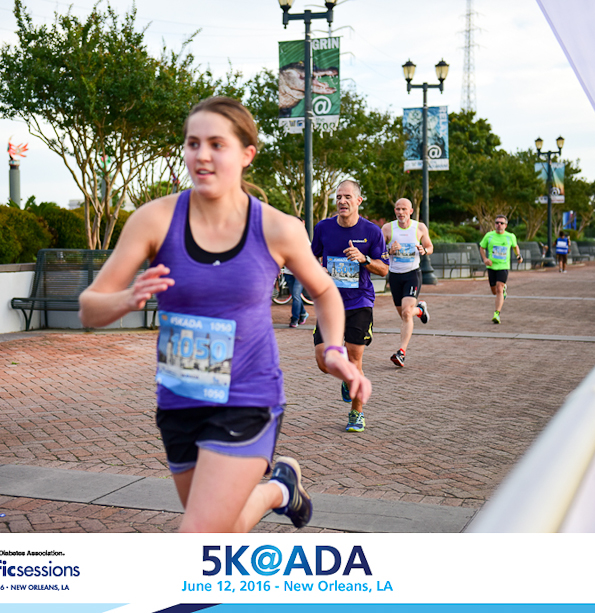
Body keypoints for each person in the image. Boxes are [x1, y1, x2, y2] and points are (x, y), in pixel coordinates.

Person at [78, 97, 371, 533]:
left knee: (199, 533)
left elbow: (325, 291)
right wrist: (127, 298)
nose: (202, 155)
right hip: (180, 396)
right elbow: (89, 307)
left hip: (248, 395)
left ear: (247, 154)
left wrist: (333, 350)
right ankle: (281, 489)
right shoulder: (154, 220)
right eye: (193, 143)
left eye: (217, 144)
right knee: (224, 528)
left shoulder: (276, 227)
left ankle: (276, 489)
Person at [311, 179, 388, 433]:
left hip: (359, 302)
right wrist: (318, 270)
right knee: (324, 361)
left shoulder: (372, 232)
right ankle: (347, 379)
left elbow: (384, 269)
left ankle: (357, 413)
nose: (342, 201)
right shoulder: (323, 228)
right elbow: (311, 257)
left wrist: (364, 259)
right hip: (329, 302)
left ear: (358, 201)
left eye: (347, 197)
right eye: (338, 197)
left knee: (354, 359)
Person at [381, 198, 432, 367]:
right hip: (395, 276)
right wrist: (390, 250)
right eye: (398, 209)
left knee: (406, 313)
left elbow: (430, 246)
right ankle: (421, 310)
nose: (400, 212)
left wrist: (424, 250)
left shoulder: (420, 227)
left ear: (411, 211)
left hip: (412, 274)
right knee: (404, 315)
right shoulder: (387, 228)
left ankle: (401, 352)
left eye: (404, 209)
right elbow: (378, 253)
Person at [479, 215, 523, 324]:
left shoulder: (510, 236)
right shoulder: (489, 236)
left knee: (499, 288)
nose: (499, 225)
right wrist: (485, 259)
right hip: (491, 267)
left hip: (503, 266)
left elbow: (515, 246)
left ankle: (497, 314)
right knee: (494, 291)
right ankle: (502, 292)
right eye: (497, 223)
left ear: (505, 225)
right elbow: (482, 247)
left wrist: (518, 255)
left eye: (501, 223)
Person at [287, 217, 310, 328]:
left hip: (300, 272)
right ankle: (303, 313)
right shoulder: (286, 237)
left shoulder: (304, 239)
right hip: (288, 272)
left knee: (296, 295)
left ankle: (294, 318)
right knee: (295, 296)